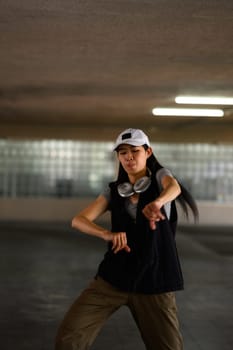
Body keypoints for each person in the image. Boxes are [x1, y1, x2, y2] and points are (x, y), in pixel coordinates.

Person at [55, 128, 199, 350]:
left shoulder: (161, 179)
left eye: (134, 151)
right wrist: (106, 234)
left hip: (154, 281)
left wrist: (158, 203)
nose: (129, 157)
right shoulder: (115, 191)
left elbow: (174, 187)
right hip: (113, 278)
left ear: (148, 152)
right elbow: (79, 220)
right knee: (69, 338)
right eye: (123, 153)